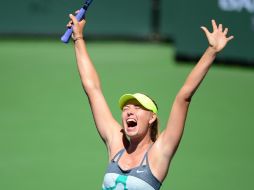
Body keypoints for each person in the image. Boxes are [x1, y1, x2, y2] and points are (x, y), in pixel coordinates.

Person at [66, 13, 234, 189]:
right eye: (126, 108)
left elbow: (183, 96)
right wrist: (78, 37)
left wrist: (212, 51)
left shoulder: (160, 152)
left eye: (137, 107)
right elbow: (92, 89)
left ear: (152, 117)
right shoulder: (116, 144)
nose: (129, 111)